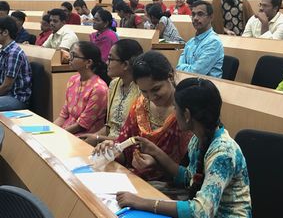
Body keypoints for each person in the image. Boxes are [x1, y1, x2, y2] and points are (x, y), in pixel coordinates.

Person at [116, 77, 252, 218]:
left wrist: (143, 203)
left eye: (175, 108)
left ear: (186, 115)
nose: (174, 112)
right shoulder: (198, 138)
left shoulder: (223, 153)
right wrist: (155, 155)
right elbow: (189, 179)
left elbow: (201, 211)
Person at [93, 51, 191, 181]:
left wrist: (157, 163)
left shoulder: (186, 113)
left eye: (156, 89)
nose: (151, 97)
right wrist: (112, 149)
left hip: (168, 186)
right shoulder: (140, 106)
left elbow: (189, 175)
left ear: (171, 76)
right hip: (134, 177)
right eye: (144, 91)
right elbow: (126, 154)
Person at [81, 39, 143, 146]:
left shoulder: (141, 89)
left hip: (128, 147)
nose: (106, 63)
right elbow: (110, 126)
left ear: (125, 64)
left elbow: (136, 136)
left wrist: (97, 138)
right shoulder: (114, 84)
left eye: (110, 59)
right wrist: (92, 138)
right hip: (106, 144)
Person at [54, 41, 110, 135]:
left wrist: (59, 134)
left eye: (74, 55)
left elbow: (82, 125)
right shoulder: (73, 80)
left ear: (88, 62)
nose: (69, 58)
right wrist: (51, 130)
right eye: (70, 54)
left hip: (83, 136)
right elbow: (63, 115)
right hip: (67, 132)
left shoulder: (99, 88)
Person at [176, 0, 224, 78]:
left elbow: (195, 73)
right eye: (193, 14)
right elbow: (178, 68)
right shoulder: (190, 42)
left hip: (207, 87)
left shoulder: (214, 42)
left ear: (211, 17)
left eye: (200, 14)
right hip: (189, 84)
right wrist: (187, 68)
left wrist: (184, 67)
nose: (195, 18)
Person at [0, 16, 31, 111]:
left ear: (5, 32)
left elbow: (6, 86)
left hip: (16, 98)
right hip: (6, 95)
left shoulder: (13, 53)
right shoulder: (4, 50)